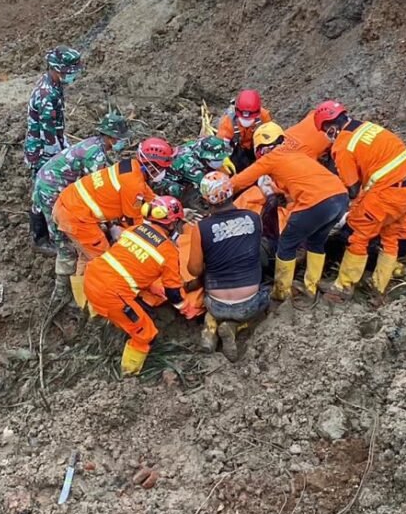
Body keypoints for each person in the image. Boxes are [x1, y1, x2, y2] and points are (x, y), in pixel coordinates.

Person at [313, 101, 406, 301]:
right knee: (390, 236)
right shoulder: (367, 127)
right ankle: (379, 286)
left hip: (388, 193)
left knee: (359, 235)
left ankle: (343, 286)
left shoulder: (342, 146)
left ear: (330, 127)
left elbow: (353, 189)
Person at [227, 122, 349, 301]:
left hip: (316, 201)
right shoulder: (296, 153)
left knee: (286, 244)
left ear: (260, 149)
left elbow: (241, 180)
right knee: (316, 242)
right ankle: (310, 287)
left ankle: (281, 291)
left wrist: (218, 191)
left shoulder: (271, 158)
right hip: (340, 196)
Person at [83, 196, 187, 377]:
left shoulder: (134, 230)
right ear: (172, 223)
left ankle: (104, 321)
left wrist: (150, 287)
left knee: (125, 310)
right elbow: (173, 292)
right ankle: (128, 375)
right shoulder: (169, 252)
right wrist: (183, 307)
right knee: (146, 334)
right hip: (111, 295)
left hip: (91, 276)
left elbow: (131, 264)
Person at [32, 111, 129, 292]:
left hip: (47, 179)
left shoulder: (94, 145)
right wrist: (111, 224)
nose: (121, 143)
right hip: (52, 188)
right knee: (63, 233)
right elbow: (98, 190)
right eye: (119, 139)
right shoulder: (96, 155)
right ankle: (62, 289)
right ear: (111, 138)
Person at [188, 171, 269, 360]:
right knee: (266, 295)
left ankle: (209, 331)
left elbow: (194, 270)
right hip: (249, 303)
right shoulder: (254, 218)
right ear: (231, 191)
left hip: (216, 304)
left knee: (214, 306)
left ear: (205, 199)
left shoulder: (201, 228)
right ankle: (235, 327)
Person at [52, 138, 173, 262]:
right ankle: (80, 275)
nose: (163, 172)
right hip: (76, 216)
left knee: (87, 253)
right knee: (102, 259)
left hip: (68, 203)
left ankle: (78, 273)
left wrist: (166, 206)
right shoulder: (133, 184)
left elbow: (146, 193)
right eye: (162, 168)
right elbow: (132, 220)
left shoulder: (130, 166)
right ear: (152, 166)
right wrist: (153, 235)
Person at [24, 46, 82, 248]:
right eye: (69, 72)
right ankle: (40, 238)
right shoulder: (46, 94)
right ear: (57, 69)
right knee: (43, 192)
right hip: (41, 150)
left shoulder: (54, 85)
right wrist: (58, 156)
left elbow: (55, 127)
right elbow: (47, 132)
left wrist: (64, 143)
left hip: (49, 142)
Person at [160, 135, 233, 199]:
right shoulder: (194, 170)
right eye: (217, 160)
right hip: (167, 181)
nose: (221, 161)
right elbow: (209, 187)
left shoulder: (201, 143)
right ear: (207, 158)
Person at [218, 88, 272, 171]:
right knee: (238, 167)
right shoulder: (228, 121)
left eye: (250, 119)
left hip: (256, 143)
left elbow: (271, 135)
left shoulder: (263, 116)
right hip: (237, 147)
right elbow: (222, 144)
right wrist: (225, 158)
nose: (246, 121)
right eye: (243, 118)